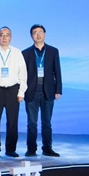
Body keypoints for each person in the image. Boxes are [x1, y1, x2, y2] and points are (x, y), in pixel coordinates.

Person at [0, 26, 27, 158]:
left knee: (12, 121)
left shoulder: (17, 53)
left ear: (11, 38)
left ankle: (11, 149)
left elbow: (23, 73)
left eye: (7, 35)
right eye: (2, 35)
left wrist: (21, 92)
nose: (4, 37)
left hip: (13, 90)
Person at [22, 24, 62, 157]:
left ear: (44, 34)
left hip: (48, 91)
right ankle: (31, 149)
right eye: (35, 32)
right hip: (31, 91)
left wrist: (58, 89)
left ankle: (47, 148)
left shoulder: (53, 51)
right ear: (31, 36)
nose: (38, 35)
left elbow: (57, 71)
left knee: (47, 123)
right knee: (31, 123)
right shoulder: (25, 53)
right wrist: (21, 91)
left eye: (40, 32)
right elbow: (22, 75)